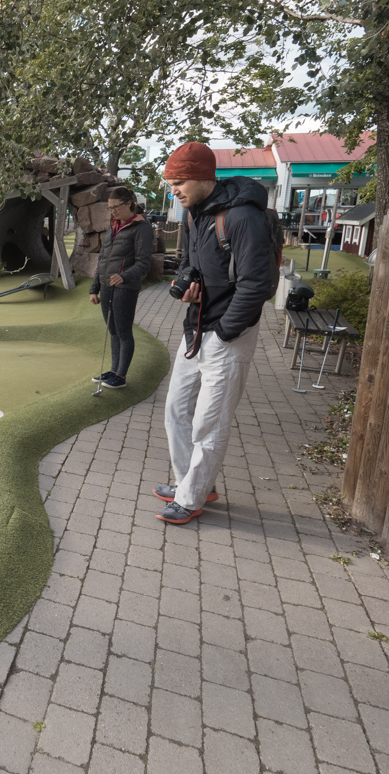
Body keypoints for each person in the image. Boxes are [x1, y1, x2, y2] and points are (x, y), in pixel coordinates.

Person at [156, 142, 274, 524]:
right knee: (176, 408)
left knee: (210, 420)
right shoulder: (192, 214)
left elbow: (257, 284)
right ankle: (192, 481)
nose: (173, 189)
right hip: (196, 327)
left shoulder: (242, 218)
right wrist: (183, 285)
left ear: (204, 177)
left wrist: (224, 332)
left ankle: (191, 499)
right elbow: (188, 263)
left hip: (228, 333)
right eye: (170, 182)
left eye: (179, 181)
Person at [89, 187, 152, 389]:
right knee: (113, 331)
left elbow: (144, 263)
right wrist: (94, 288)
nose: (113, 211)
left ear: (128, 204)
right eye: (110, 208)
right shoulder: (113, 226)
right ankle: (114, 370)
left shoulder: (141, 227)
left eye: (116, 207)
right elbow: (103, 260)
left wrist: (124, 276)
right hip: (107, 287)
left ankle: (121, 376)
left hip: (125, 288)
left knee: (124, 332)